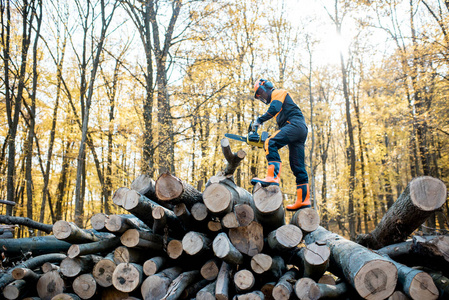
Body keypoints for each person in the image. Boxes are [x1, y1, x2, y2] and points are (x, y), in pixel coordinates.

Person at [251, 78, 311, 211]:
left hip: (295, 125)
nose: (262, 96)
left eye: (261, 92)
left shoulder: (278, 93)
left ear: (268, 87)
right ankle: (304, 200)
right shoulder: (278, 109)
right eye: (259, 96)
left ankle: (272, 177)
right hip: (299, 129)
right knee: (297, 166)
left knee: (270, 142)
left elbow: (274, 107)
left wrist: (259, 120)